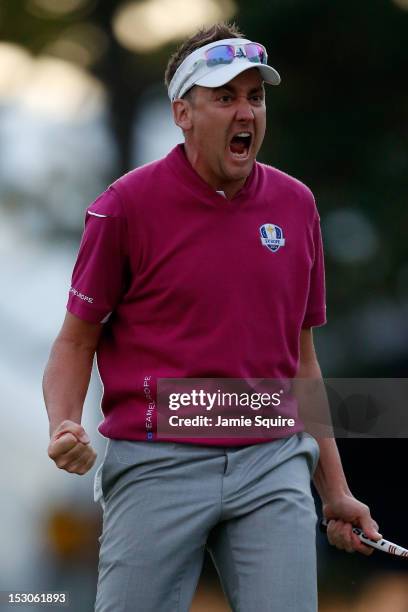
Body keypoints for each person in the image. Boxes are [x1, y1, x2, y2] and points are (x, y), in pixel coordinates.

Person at [43, 22, 382, 612]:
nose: (245, 111)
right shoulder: (123, 207)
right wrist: (64, 424)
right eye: (225, 97)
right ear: (183, 112)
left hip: (272, 461)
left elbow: (302, 361)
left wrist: (336, 490)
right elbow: (75, 343)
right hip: (156, 460)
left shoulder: (296, 206)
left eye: (255, 96)